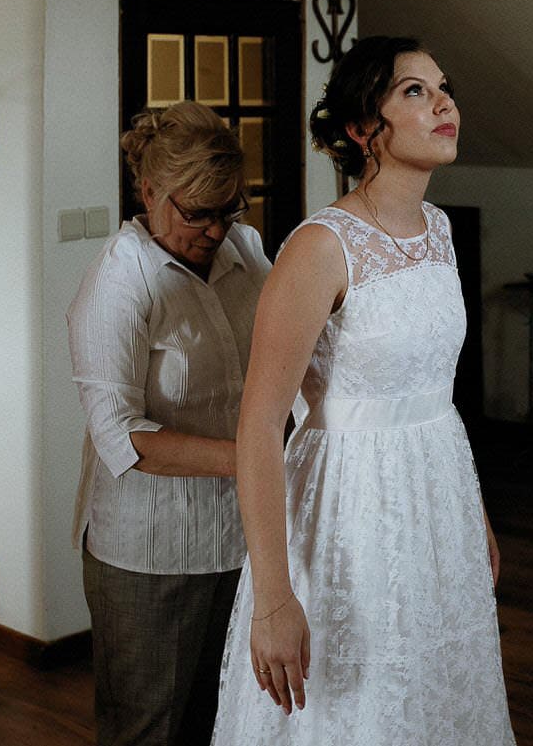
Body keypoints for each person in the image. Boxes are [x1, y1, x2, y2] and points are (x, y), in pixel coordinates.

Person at [211, 36, 516, 743]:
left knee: (433, 697)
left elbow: (431, 394)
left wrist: (475, 517)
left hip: (437, 507)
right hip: (349, 515)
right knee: (357, 708)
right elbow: (258, 426)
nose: (444, 103)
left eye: (443, 87)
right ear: (361, 128)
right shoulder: (320, 247)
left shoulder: (438, 230)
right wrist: (273, 596)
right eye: (414, 91)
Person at [67, 101, 269, 746]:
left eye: (229, 207)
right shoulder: (118, 284)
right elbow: (119, 436)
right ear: (149, 192)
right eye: (197, 212)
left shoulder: (248, 251)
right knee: (149, 730)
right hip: (151, 551)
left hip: (241, 536)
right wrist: (254, 460)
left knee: (229, 719)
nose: (215, 230)